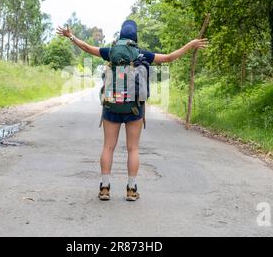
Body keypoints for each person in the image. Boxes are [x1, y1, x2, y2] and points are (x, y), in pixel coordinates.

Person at [56, 20, 208, 201]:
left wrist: (70, 36)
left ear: (121, 36)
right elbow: (169, 58)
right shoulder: (143, 54)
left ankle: (104, 188)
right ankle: (131, 189)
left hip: (111, 105)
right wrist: (191, 45)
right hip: (135, 108)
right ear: (135, 36)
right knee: (132, 148)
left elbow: (87, 48)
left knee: (108, 147)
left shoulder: (110, 52)